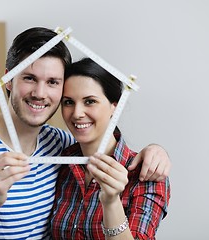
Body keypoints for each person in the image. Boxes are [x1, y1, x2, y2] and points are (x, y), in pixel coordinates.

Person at [0, 27, 171, 240]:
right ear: (8, 81)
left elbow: (102, 141)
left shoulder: (60, 145)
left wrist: (155, 150)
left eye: (52, 82)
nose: (40, 93)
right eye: (29, 78)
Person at [49, 58, 170, 239]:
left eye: (89, 101)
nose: (77, 113)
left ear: (115, 106)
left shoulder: (146, 174)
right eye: (68, 102)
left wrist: (111, 201)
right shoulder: (60, 160)